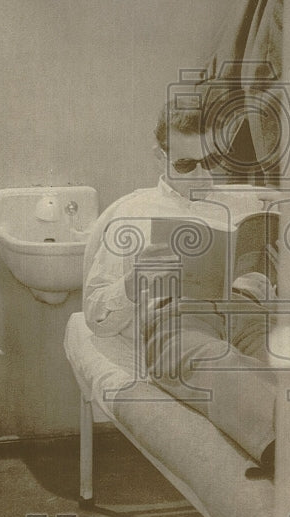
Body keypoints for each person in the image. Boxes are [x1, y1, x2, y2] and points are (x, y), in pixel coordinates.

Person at [83, 102, 278, 476]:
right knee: (218, 361)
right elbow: (95, 314)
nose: (203, 176)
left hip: (247, 310)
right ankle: (285, 448)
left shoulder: (247, 205)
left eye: (213, 161)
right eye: (187, 165)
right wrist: (132, 283)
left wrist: (271, 273)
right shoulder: (132, 214)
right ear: (161, 158)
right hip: (177, 319)